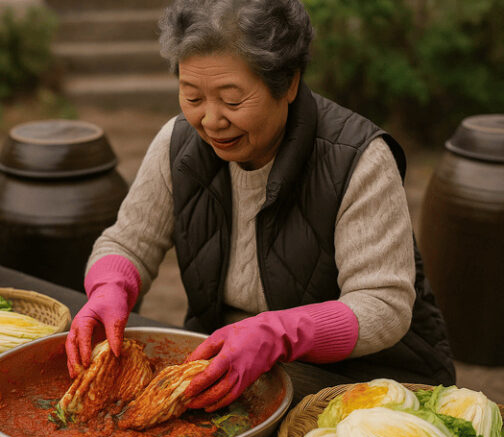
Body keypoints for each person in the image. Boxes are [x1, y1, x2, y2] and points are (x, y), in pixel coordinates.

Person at [65, 0, 455, 412]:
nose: (211, 121)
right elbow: (127, 242)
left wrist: (279, 334)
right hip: (233, 373)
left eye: (232, 102)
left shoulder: (358, 159)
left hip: (359, 384)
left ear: (288, 84)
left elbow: (383, 307)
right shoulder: (178, 144)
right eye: (192, 96)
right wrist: (109, 288)